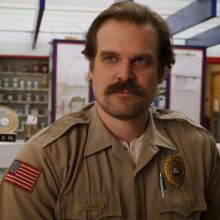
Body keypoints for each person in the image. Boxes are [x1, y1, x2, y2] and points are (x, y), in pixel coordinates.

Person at [0, 1, 220, 219]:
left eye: (141, 60)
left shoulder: (198, 148)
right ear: (92, 68)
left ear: (162, 71)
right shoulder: (43, 158)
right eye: (111, 58)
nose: (125, 74)